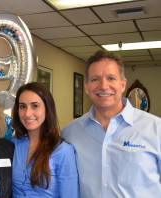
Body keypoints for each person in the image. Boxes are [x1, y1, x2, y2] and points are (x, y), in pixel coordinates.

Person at [61, 50, 161, 198]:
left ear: (122, 84)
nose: (103, 85)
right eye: (95, 79)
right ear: (86, 86)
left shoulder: (156, 128)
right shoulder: (70, 133)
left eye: (111, 78)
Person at [11, 82, 79, 198]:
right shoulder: (13, 144)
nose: (27, 113)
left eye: (35, 106)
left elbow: (70, 194)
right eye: (23, 106)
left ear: (47, 109)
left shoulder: (63, 151)